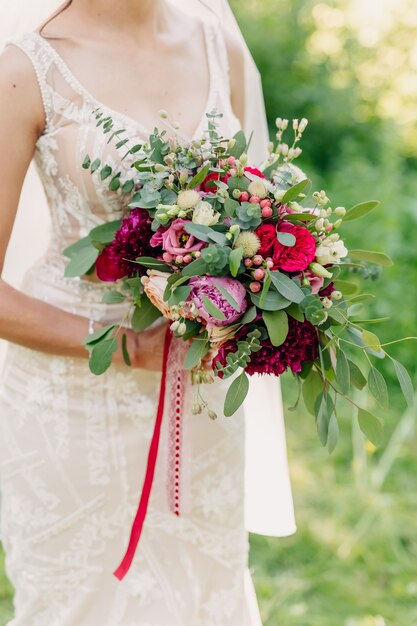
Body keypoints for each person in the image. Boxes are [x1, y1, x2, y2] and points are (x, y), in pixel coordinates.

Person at [0, 1, 295, 624]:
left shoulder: (217, 42)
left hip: (200, 393)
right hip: (71, 401)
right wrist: (124, 345)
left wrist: (263, 293)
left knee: (200, 591)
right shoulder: (28, 69)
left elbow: (259, 209)